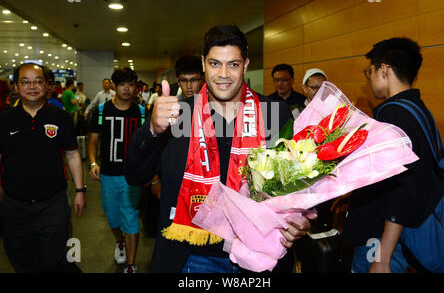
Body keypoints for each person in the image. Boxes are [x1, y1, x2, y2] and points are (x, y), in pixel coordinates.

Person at [124, 25, 313, 273]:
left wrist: (301, 220)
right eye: (215, 63)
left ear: (245, 65)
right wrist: (151, 130)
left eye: (233, 64)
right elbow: (135, 175)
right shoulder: (177, 115)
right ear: (203, 64)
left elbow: (299, 186)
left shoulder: (275, 114)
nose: (223, 74)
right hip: (191, 256)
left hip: (259, 255)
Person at [342, 38, 444, 273]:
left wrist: (382, 258)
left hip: (381, 239)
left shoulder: (392, 115)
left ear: (384, 69)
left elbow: (401, 190)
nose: (369, 81)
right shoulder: (418, 109)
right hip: (403, 234)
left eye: (370, 72)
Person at [0, 63, 86, 273]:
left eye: (37, 81)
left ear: (46, 85)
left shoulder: (60, 117)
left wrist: (80, 191)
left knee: (53, 258)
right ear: (16, 85)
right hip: (14, 205)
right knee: (19, 256)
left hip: (52, 203)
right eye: (25, 81)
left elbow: (72, 154)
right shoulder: (4, 119)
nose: (32, 86)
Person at [88, 67, 146, 274]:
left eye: (131, 84)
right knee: (112, 216)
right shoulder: (102, 111)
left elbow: (148, 144)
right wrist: (93, 162)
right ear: (114, 86)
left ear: (136, 88)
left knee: (130, 217)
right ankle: (119, 241)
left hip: (132, 176)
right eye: (122, 84)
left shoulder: (141, 112)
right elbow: (93, 140)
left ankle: (131, 265)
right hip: (108, 174)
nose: (127, 89)